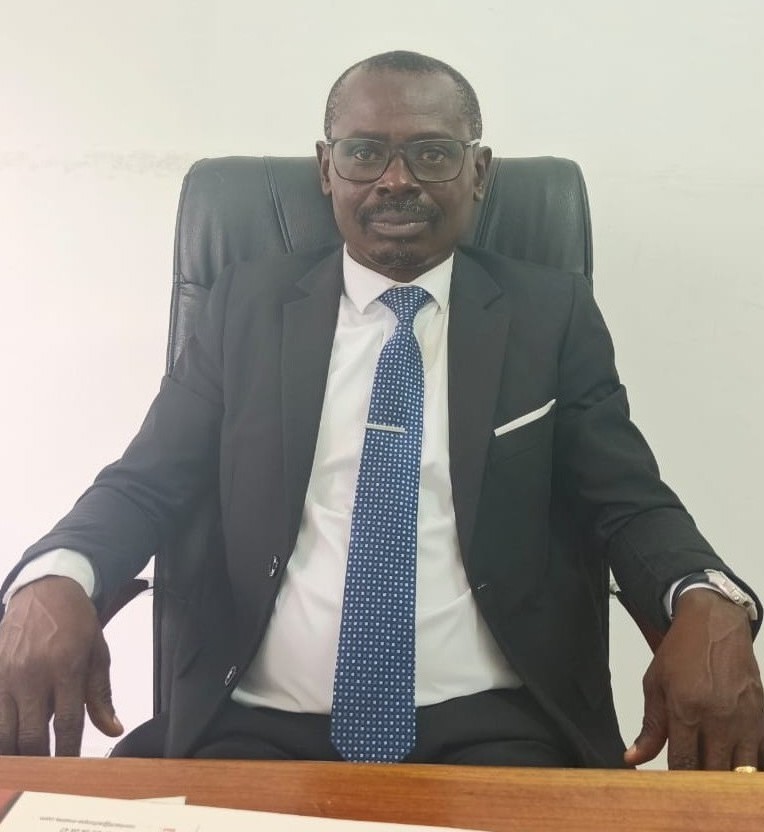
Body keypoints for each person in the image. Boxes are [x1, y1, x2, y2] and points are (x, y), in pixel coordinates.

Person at [0, 50, 762, 769]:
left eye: (432, 153)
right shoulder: (246, 307)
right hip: (252, 725)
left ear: (478, 172)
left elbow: (627, 502)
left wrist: (708, 598)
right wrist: (55, 576)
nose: (397, 180)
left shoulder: (547, 315)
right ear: (325, 168)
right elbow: (146, 484)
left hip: (494, 728)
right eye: (365, 153)